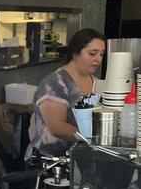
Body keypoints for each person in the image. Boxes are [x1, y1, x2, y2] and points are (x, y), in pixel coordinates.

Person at [25, 28, 106, 160]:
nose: (98, 59)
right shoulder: (55, 83)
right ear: (75, 53)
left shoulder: (96, 82)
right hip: (51, 161)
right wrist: (92, 139)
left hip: (82, 159)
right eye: (92, 53)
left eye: (101, 54)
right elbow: (57, 127)